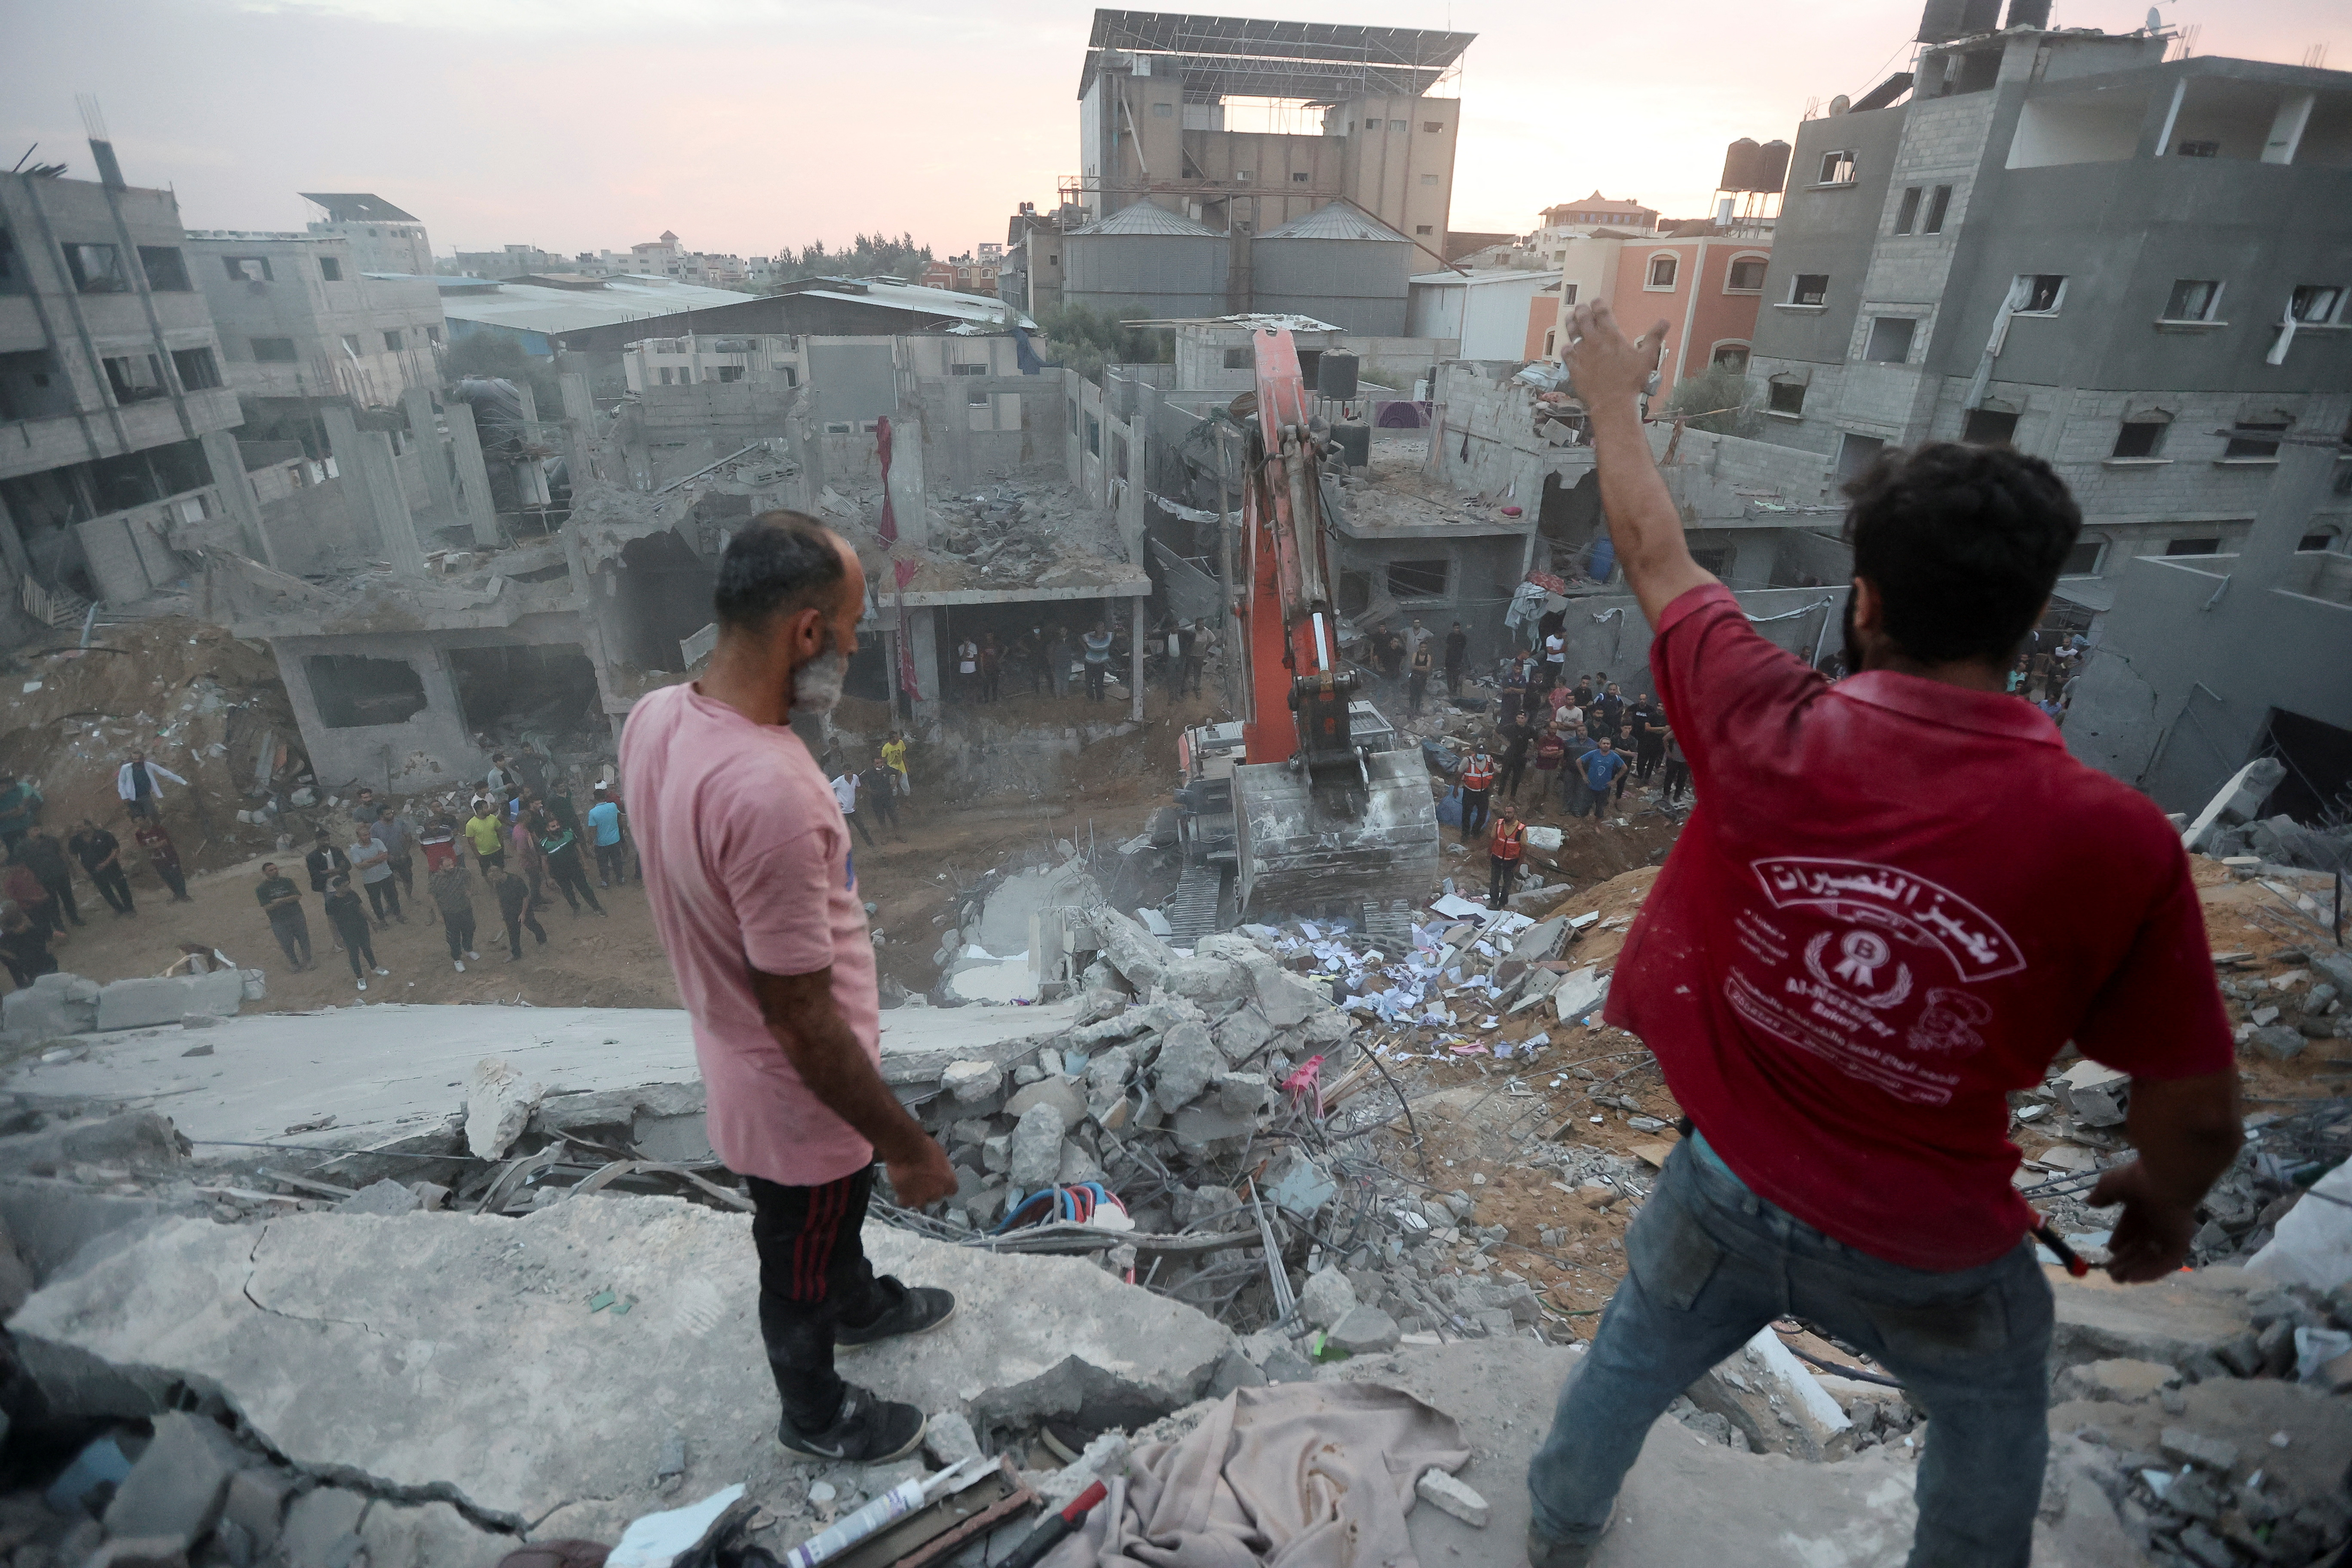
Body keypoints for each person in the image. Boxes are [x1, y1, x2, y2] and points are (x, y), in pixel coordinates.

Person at [1521, 299, 2242, 1568]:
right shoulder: (2115, 839)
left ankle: (1556, 1526)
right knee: (1990, 1436)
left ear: (1862, 602)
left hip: (1725, 1184)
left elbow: (1653, 554)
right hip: (1935, 1245)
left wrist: (1614, 403)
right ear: (2031, 618)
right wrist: (2162, 1200)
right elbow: (2194, 1112)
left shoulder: (1760, 719)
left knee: (1631, 1351)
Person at [621, 510, 959, 1465]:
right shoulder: (770, 789)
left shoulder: (657, 718)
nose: (850, 648)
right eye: (847, 629)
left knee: (831, 1228)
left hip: (760, 1068)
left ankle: (858, 1305)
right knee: (796, 1261)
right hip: (797, 1101)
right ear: (805, 631)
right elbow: (803, 1021)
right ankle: (814, 1412)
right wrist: (909, 1145)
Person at [322, 875, 387, 990]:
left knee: (367, 948)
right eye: (345, 886)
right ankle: (360, 977)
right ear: (337, 888)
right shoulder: (331, 902)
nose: (349, 887)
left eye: (348, 885)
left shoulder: (352, 894)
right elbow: (331, 921)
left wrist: (372, 922)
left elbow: (361, 909)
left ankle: (374, 967)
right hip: (347, 931)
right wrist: (337, 938)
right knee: (354, 954)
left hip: (361, 927)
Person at [19, 829, 82, 929]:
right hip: (44, 880)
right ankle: (59, 927)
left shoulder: (51, 840)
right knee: (52, 904)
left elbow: (62, 854)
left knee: (68, 898)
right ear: (28, 832)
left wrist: (70, 869)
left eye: (38, 828)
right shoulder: (24, 848)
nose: (37, 831)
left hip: (60, 874)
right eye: (33, 830)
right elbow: (26, 866)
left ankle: (75, 918)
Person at [254, 863, 312, 972]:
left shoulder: (288, 882)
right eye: (271, 870)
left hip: (296, 915)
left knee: (304, 939)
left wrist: (280, 901)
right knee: (286, 944)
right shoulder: (261, 889)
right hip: (278, 920)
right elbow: (267, 907)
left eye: (275, 869)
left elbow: (298, 896)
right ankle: (294, 963)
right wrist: (287, 900)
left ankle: (308, 961)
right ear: (265, 873)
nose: (275, 871)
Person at [69, 820, 133, 916]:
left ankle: (130, 909)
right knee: (105, 891)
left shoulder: (104, 834)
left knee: (121, 886)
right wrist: (82, 870)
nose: (78, 829)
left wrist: (106, 863)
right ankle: (119, 909)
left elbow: (116, 849)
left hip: (111, 867)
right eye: (76, 827)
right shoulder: (76, 840)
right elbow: (73, 856)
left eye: (80, 826)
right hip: (93, 870)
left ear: (89, 825)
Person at [429, 859, 480, 972]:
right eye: (448, 866)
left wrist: (471, 890)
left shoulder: (461, 872)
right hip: (449, 913)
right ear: (441, 867)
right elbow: (432, 897)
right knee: (454, 937)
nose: (452, 867)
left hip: (465, 908)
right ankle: (457, 959)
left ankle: (468, 949)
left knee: (469, 929)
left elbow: (473, 876)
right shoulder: (435, 880)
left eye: (452, 864)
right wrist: (438, 914)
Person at [492, 865, 547, 961]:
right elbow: (501, 899)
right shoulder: (497, 883)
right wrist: (502, 912)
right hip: (509, 912)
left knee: (532, 924)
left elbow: (525, 897)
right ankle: (516, 954)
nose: (494, 880)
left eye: (495, 878)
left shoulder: (516, 881)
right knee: (512, 932)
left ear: (501, 873)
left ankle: (542, 941)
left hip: (521, 909)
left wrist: (523, 913)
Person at [349, 825, 402, 925]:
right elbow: (360, 866)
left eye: (368, 834)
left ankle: (398, 914)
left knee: (393, 897)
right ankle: (382, 921)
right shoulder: (355, 849)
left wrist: (368, 862)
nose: (368, 837)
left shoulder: (377, 842)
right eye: (364, 835)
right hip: (370, 880)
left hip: (386, 875)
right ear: (358, 836)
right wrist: (378, 859)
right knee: (376, 902)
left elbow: (385, 856)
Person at [115, 751, 187, 822]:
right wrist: (125, 797)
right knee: (139, 819)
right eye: (135, 759)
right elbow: (121, 783)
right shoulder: (126, 768)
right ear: (132, 759)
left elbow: (166, 773)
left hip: (145, 796)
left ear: (143, 758)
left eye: (139, 759)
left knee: (153, 815)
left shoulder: (149, 766)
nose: (137, 761)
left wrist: (184, 782)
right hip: (131, 798)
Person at [1, 855, 58, 943]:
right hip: (29, 906)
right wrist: (30, 900)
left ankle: (50, 937)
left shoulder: (27, 872)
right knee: (39, 923)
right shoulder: (10, 882)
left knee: (45, 920)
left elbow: (37, 883)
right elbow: (14, 897)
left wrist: (42, 893)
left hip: (39, 901)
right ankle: (47, 939)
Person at [133, 818, 192, 903]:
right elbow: (143, 847)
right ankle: (177, 894)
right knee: (167, 877)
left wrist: (152, 847)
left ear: (146, 820)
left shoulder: (158, 829)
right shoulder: (139, 834)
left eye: (141, 820)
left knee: (177, 875)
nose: (139, 823)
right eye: (136, 822)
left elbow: (164, 841)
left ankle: (183, 895)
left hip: (170, 856)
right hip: (156, 860)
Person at [1573, 735, 1627, 819]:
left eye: (1608, 744)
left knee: (1600, 810)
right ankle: (1581, 823)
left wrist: (1615, 780)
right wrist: (1584, 776)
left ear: (1610, 745)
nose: (1606, 745)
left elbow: (1624, 768)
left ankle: (1597, 824)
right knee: (1584, 808)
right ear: (1600, 745)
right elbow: (1578, 761)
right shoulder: (1594, 753)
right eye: (1604, 743)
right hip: (1590, 786)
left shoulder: (1614, 756)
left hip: (1604, 787)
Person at [0, 909, 55, 989]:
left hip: (43, 963)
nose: (21, 927)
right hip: (30, 968)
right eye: (17, 926)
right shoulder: (9, 939)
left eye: (21, 923)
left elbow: (44, 945)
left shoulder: (32, 931)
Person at [587, 786, 628, 887]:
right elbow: (620, 819)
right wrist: (623, 830)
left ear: (595, 799)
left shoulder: (593, 813)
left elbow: (593, 830)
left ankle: (605, 881)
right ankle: (621, 878)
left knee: (603, 863)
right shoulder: (613, 806)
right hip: (615, 840)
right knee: (617, 861)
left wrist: (590, 842)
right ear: (605, 797)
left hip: (601, 843)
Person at [374, 804, 416, 899]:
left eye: (391, 813)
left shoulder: (400, 823)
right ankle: (391, 903)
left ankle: (409, 896)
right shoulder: (375, 828)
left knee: (408, 878)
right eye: (388, 814)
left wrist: (405, 853)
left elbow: (408, 838)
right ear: (381, 816)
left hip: (403, 857)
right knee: (387, 883)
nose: (391, 815)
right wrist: (387, 857)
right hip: (386, 860)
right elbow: (375, 846)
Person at [1487, 807, 1525, 908]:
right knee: (1494, 882)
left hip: (1511, 861)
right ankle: (1493, 902)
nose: (1507, 815)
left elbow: (1524, 848)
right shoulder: (1498, 825)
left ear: (1515, 814)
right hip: (1497, 858)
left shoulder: (1521, 829)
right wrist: (1489, 854)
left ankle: (1502, 904)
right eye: (1506, 812)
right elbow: (1492, 839)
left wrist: (1519, 865)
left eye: (1510, 813)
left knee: (1507, 884)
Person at [1457, 746, 1497, 844]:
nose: (1481, 756)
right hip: (1470, 792)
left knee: (1483, 815)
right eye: (1479, 753)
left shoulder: (1489, 760)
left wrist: (1491, 787)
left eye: (1483, 754)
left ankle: (1476, 832)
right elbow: (1459, 774)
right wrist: (1455, 789)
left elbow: (1491, 773)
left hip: (1483, 793)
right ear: (1475, 753)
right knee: (1466, 814)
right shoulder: (1467, 761)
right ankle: (1465, 834)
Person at [1626, 693, 1665, 783]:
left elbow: (1667, 730)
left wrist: (1654, 730)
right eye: (1659, 706)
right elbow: (1647, 728)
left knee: (1652, 762)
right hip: (1645, 740)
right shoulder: (1651, 715)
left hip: (1658, 743)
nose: (1660, 708)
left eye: (1662, 707)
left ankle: (1647, 778)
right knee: (1641, 760)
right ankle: (1640, 776)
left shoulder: (1666, 718)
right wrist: (1660, 729)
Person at [830, 769, 874, 848]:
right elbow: (827, 789)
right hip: (843, 812)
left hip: (853, 810)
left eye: (851, 772)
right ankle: (848, 849)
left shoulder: (855, 778)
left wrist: (857, 801)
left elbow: (859, 788)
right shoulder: (839, 781)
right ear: (844, 772)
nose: (850, 774)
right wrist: (835, 802)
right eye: (848, 772)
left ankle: (871, 844)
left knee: (862, 827)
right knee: (846, 831)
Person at [863, 757, 904, 841]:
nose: (880, 765)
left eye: (881, 762)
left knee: (894, 817)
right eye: (877, 763)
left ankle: (898, 834)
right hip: (876, 799)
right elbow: (859, 780)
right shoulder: (869, 772)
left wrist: (894, 784)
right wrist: (868, 790)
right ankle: (885, 836)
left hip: (888, 797)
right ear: (873, 764)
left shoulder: (887, 769)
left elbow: (899, 772)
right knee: (881, 818)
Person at [0, 775, 44, 853]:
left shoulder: (20, 790)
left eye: (3, 787)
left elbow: (22, 810)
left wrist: (14, 812)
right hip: (10, 829)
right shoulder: (9, 796)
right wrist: (13, 812)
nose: (2, 790)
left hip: (21, 824)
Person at [464, 799, 506, 878]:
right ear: (480, 810)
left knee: (500, 870)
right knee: (487, 873)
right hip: (483, 854)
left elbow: (499, 832)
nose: (489, 809)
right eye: (486, 808)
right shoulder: (471, 824)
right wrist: (478, 855)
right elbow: (471, 842)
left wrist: (502, 846)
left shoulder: (493, 818)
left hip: (497, 850)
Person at [1657, 725, 1690, 805]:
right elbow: (1665, 739)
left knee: (1682, 778)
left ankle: (1677, 796)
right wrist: (1668, 752)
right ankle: (1666, 795)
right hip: (1674, 759)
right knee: (1670, 776)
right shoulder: (1677, 731)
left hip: (1685, 761)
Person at [1081, 622, 1113, 702]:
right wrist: (1086, 649)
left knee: (1099, 682)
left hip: (1100, 664)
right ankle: (1090, 697)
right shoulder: (1090, 636)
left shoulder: (1107, 637)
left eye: (1102, 627)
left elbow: (1115, 633)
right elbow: (1081, 638)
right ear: (1096, 628)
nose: (1101, 629)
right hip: (1090, 663)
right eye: (1099, 627)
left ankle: (1100, 698)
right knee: (1089, 682)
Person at [1407, 638, 1433, 715]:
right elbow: (1412, 666)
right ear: (1419, 648)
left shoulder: (1428, 657)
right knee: (1412, 695)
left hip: (1422, 679)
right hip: (1414, 678)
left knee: (1419, 695)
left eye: (1425, 647)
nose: (1423, 649)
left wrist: (1418, 667)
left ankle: (1417, 710)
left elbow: (1428, 669)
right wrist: (1422, 668)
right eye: (1422, 647)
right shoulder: (1415, 655)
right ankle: (1411, 709)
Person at [1045, 627, 1073, 699]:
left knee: (1066, 679)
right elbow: (1050, 651)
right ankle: (1058, 694)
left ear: (1067, 631)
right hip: (1058, 663)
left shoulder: (1070, 640)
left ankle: (1065, 693)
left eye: (1064, 631)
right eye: (1061, 631)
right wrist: (1051, 661)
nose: (1063, 633)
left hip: (1068, 663)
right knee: (1058, 679)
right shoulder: (1055, 641)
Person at [881, 732, 910, 798]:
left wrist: (907, 767)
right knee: (894, 787)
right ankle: (895, 800)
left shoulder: (901, 743)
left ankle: (907, 799)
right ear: (892, 739)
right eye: (896, 737)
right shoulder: (886, 748)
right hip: (892, 770)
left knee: (906, 786)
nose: (898, 738)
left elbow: (904, 756)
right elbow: (884, 761)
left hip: (902, 768)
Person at [1443, 622, 1468, 698]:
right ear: (1453, 629)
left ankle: (1455, 691)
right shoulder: (1450, 636)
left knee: (1456, 676)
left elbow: (1464, 647)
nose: (1457, 630)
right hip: (1449, 659)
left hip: (1458, 660)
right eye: (1455, 628)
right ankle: (1450, 691)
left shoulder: (1463, 637)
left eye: (1458, 628)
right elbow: (1447, 647)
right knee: (1449, 676)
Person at [979, 632, 1003, 704]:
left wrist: (1001, 659)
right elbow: (981, 658)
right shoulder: (984, 645)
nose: (989, 637)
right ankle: (986, 700)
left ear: (992, 635)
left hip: (995, 668)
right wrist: (982, 669)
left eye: (990, 635)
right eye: (988, 636)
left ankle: (995, 700)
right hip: (987, 668)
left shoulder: (997, 644)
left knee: (995, 685)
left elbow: (1006, 649)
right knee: (986, 686)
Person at [955, 636, 980, 703]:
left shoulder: (974, 646)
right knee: (965, 688)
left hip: (972, 670)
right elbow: (963, 659)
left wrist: (968, 659)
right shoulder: (961, 647)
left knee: (973, 687)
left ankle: (974, 701)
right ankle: (966, 701)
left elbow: (976, 658)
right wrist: (966, 648)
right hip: (963, 671)